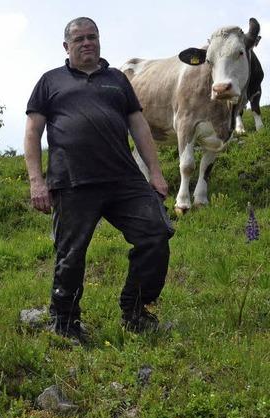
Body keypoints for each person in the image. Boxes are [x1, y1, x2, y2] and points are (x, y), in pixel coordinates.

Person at [23, 17, 174, 342]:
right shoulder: (50, 81)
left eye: (92, 37)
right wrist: (37, 181)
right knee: (71, 254)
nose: (87, 42)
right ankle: (64, 322)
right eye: (79, 39)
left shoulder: (117, 80)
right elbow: (33, 132)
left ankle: (135, 311)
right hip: (73, 181)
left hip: (124, 180)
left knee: (156, 235)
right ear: (67, 46)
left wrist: (156, 172)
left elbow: (140, 127)